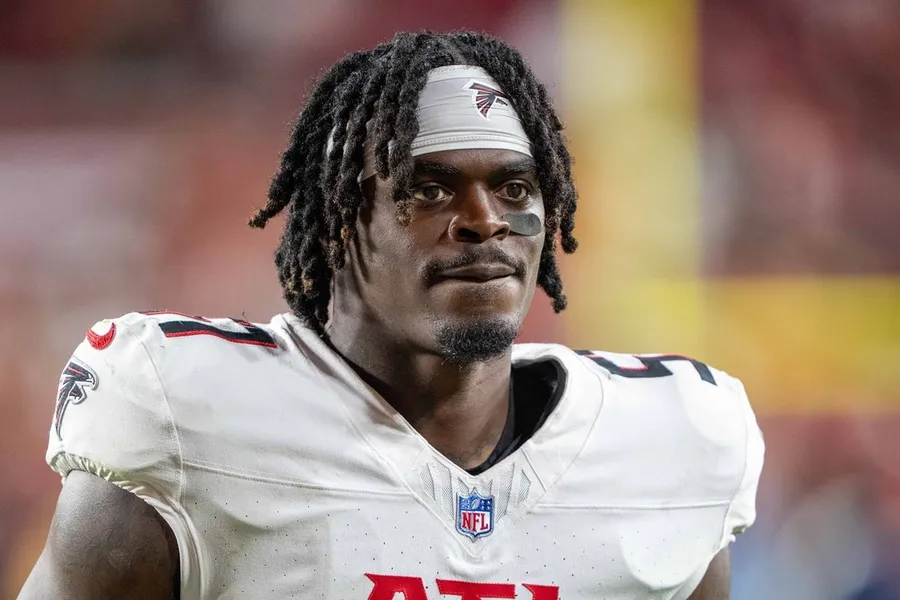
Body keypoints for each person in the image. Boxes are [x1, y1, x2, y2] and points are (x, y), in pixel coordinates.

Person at [19, 31, 763, 599]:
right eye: (429, 189)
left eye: (514, 188)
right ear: (338, 221)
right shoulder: (188, 418)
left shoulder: (673, 446)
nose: (485, 221)